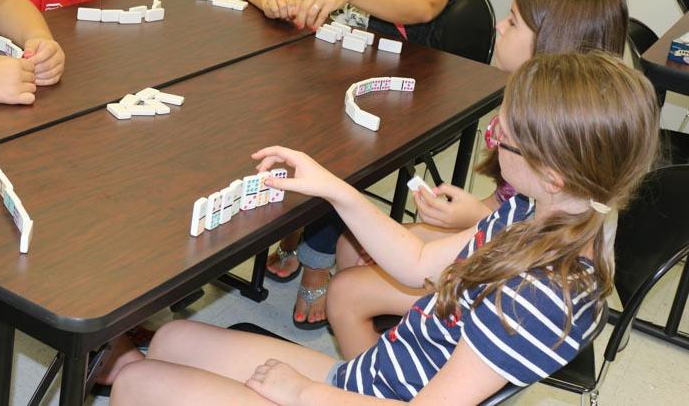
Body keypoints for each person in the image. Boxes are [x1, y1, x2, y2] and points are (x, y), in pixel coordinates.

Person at [110, 51, 659, 404]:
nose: (494, 134)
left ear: (554, 172)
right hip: (370, 380)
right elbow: (416, 264)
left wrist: (302, 393)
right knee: (172, 338)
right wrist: (333, 187)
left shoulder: (540, 299)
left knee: (136, 383)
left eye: (503, 137)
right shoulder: (537, 212)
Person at [328, 0, 630, 355]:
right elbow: (510, 209)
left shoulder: (552, 140)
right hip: (500, 242)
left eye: (514, 21)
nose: (500, 26)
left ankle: (376, 385)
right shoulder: (543, 115)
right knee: (351, 246)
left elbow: (528, 233)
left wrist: (474, 217)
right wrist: (475, 212)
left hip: (514, 277)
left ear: (552, 41)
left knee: (346, 293)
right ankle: (414, 351)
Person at [244, 0, 464, 328]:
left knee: (340, 146)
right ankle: (294, 229)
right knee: (272, 108)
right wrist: (273, 0)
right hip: (319, 73)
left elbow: (424, 3)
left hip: (390, 94)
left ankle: (318, 264)